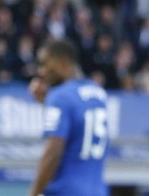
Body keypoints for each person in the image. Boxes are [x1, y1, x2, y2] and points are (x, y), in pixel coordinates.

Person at [28, 39, 109, 196]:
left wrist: (34, 192)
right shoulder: (98, 93)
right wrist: (47, 103)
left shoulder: (60, 97)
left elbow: (53, 152)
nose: (42, 71)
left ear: (63, 63)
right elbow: (77, 129)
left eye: (45, 64)